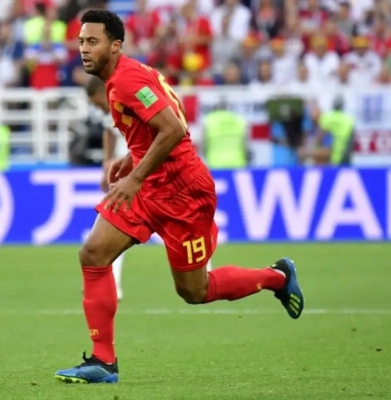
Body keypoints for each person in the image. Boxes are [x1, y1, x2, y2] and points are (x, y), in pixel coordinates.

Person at [54, 9, 305, 385]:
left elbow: (172, 129)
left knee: (195, 291)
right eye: (81, 42)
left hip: (183, 192)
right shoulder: (125, 78)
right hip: (149, 187)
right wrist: (133, 158)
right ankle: (103, 362)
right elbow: (173, 113)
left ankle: (277, 278)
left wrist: (135, 176)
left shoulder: (126, 80)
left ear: (115, 45)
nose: (84, 49)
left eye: (93, 41)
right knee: (93, 254)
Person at [85, 75, 128, 301]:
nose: (96, 107)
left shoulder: (126, 102)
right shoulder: (109, 109)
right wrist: (106, 164)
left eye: (96, 101)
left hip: (141, 170)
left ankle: (202, 275)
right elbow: (109, 132)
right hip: (124, 172)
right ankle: (113, 283)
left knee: (113, 225)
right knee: (113, 223)